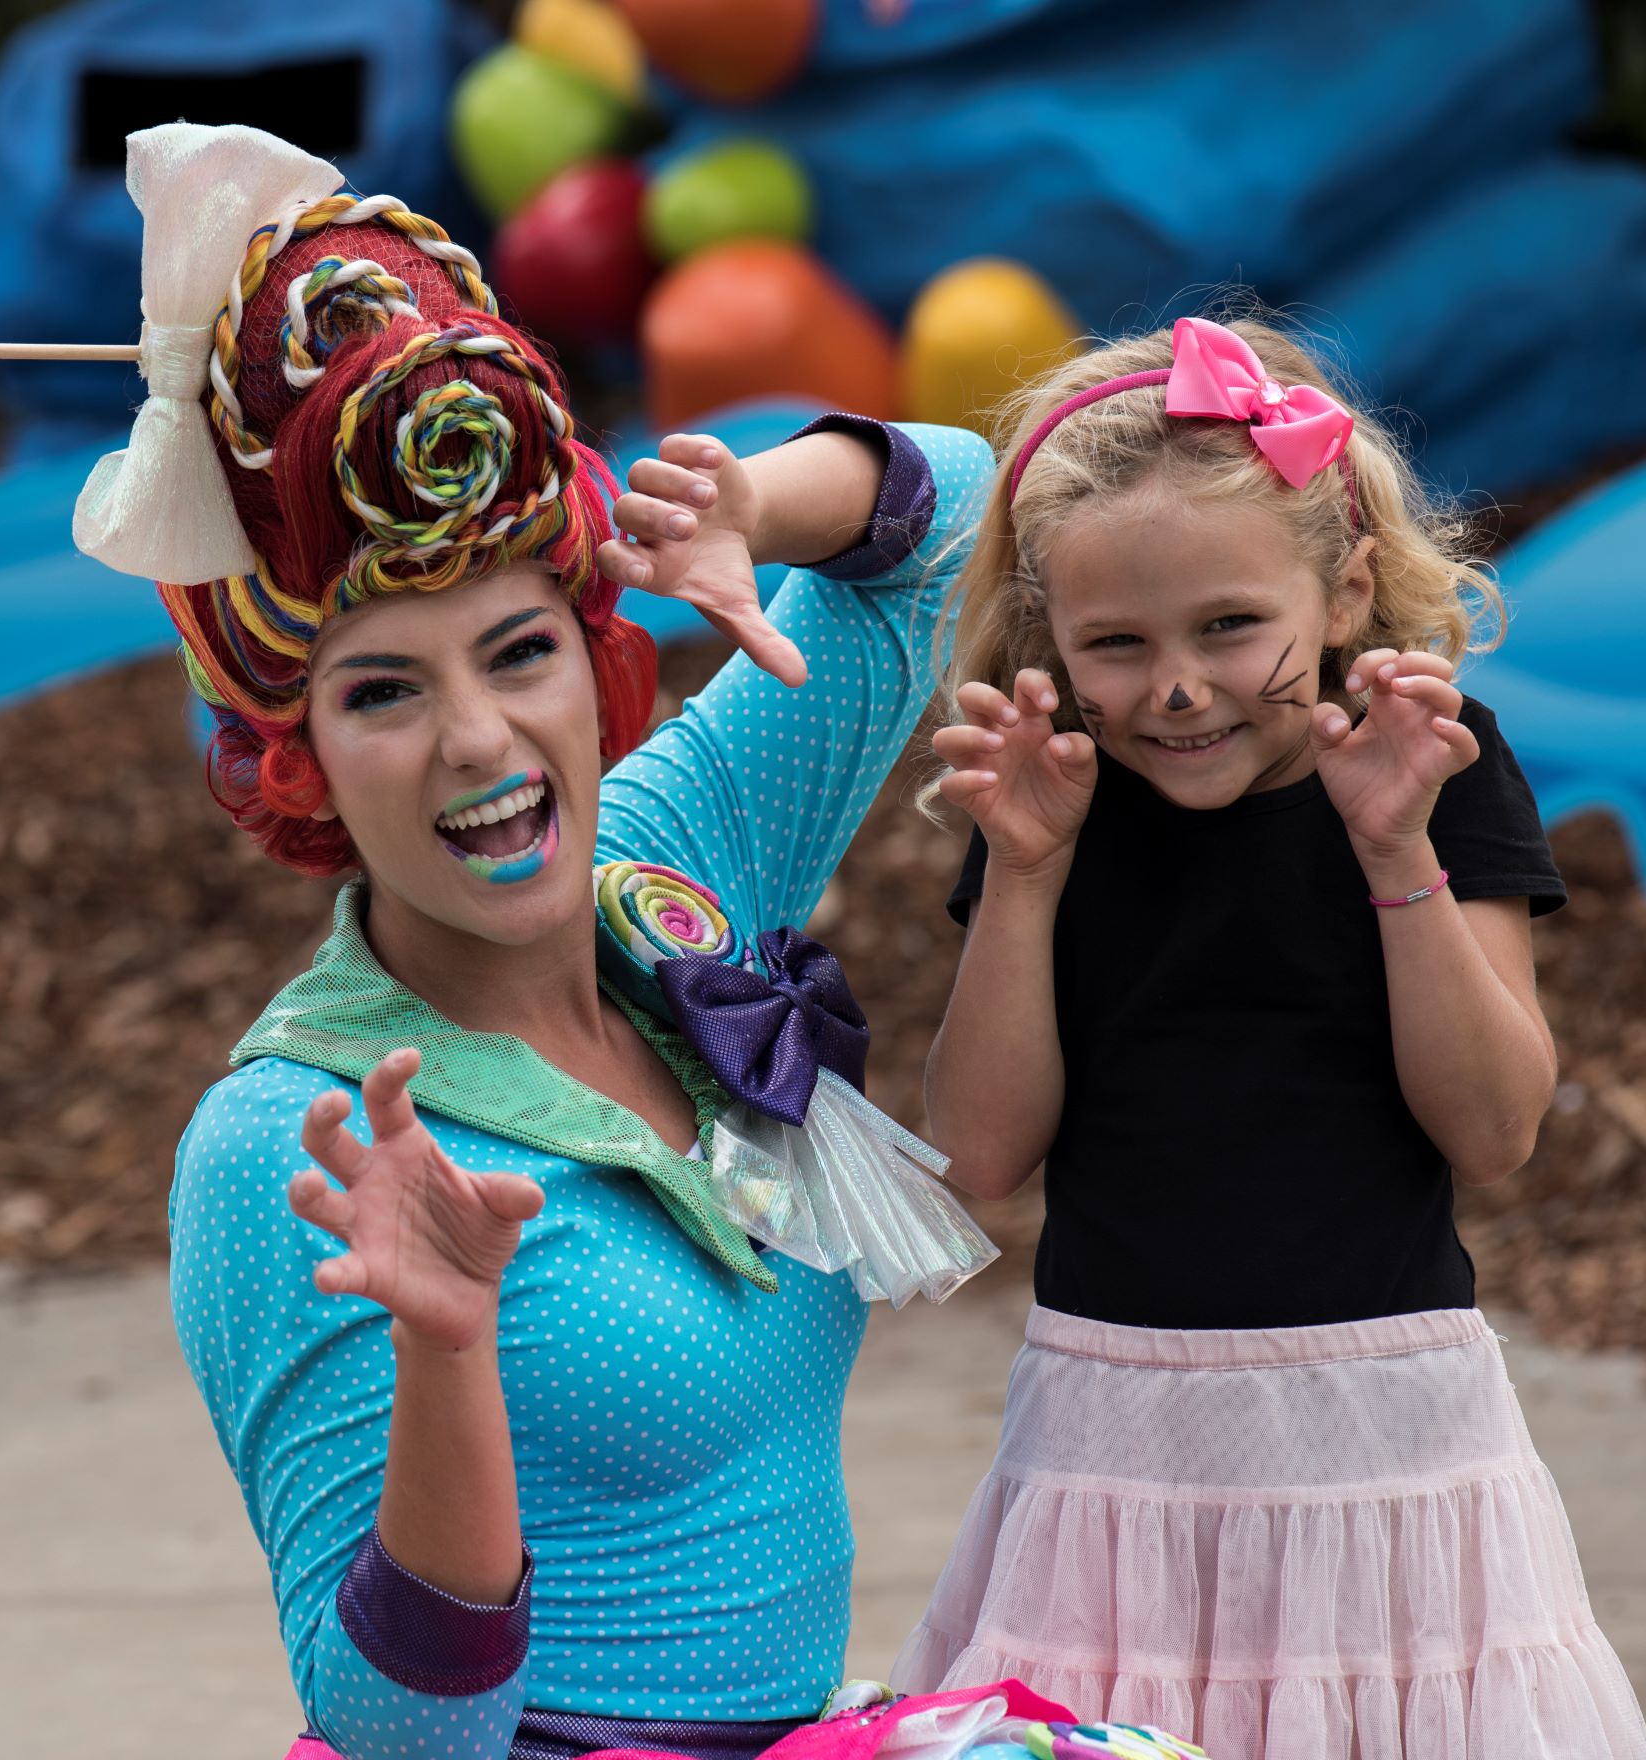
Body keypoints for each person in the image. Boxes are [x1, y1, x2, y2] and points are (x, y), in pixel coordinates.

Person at [75, 126, 994, 1760]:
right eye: (382, 692)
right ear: (297, 759)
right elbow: (394, 1734)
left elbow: (971, 523)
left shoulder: (670, 867)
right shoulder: (294, 1143)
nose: (479, 741)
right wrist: (447, 1355)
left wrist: (745, 507)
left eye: (518, 655)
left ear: (594, 662)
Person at [898, 314, 1646, 1758]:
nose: (1176, 688)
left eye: (1230, 628)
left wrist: (1392, 849)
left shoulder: (1437, 771)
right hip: (1107, 1454)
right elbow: (983, 1154)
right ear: (1050, 638)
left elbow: (1493, 1131)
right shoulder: (1054, 809)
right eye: (1116, 644)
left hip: (1390, 1438)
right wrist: (1027, 874)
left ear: (1347, 584)